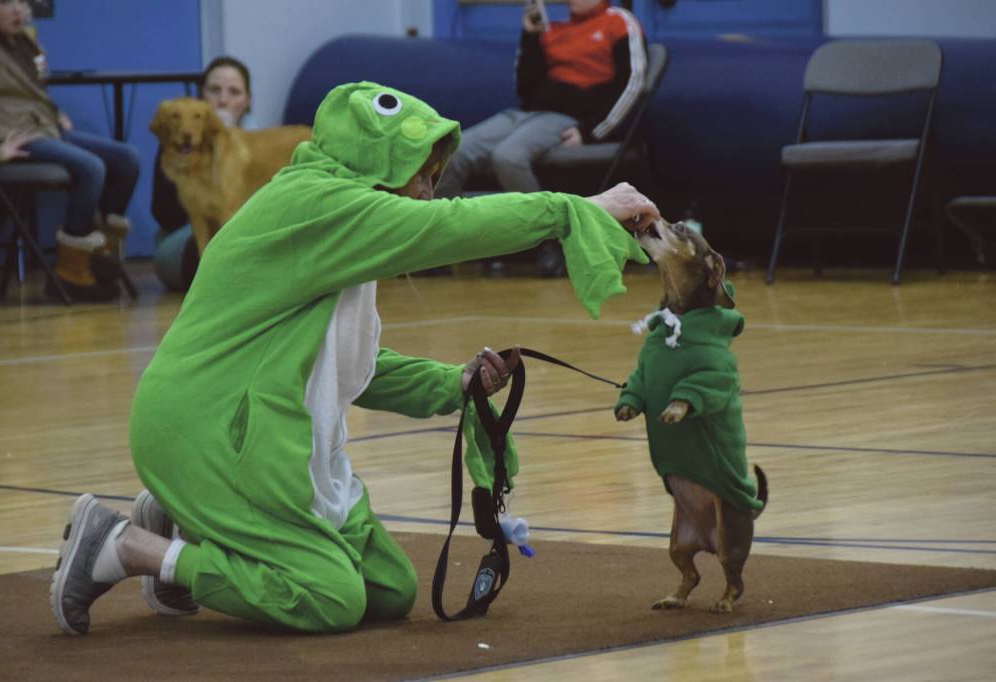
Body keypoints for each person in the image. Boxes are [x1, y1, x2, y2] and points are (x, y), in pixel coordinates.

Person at [49, 81, 660, 635]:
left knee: (388, 591)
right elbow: (452, 227)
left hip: (243, 429)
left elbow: (346, 368)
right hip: (211, 432)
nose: (427, 190)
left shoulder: (339, 224)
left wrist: (456, 383)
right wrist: (575, 210)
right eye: (419, 173)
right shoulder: (319, 204)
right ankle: (126, 547)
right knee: (327, 597)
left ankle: (188, 522)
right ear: (374, 160)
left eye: (433, 176)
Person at [436, 0, 647, 277]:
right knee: (452, 149)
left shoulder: (619, 21)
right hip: (525, 114)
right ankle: (440, 245)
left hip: (567, 119)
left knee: (508, 156)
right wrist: (531, 36)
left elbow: (633, 85)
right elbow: (526, 88)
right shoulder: (554, 29)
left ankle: (547, 243)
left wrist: (591, 133)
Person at [0, 0, 140, 301]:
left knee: (127, 158)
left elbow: (32, 92)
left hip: (45, 126)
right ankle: (71, 271)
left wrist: (55, 110)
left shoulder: (22, 40)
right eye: (6, 2)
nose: (18, 10)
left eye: (22, 2)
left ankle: (100, 252)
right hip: (16, 133)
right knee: (91, 167)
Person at [151, 56, 251, 291]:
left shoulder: (257, 141)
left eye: (234, 92)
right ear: (201, 96)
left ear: (247, 102)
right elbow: (165, 216)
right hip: (183, 237)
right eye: (214, 90)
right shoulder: (175, 144)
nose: (222, 100)